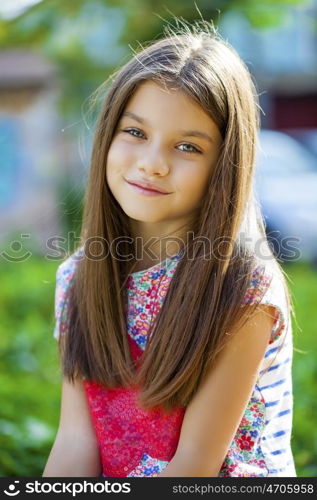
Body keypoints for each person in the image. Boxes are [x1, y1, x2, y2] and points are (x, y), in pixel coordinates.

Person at [43, 19, 297, 477]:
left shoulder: (242, 287)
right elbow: (75, 442)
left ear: (224, 165)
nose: (153, 164)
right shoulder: (79, 278)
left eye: (187, 147)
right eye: (135, 133)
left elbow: (194, 467)